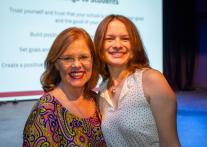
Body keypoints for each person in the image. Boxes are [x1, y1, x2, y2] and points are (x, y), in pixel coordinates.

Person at [94, 14, 180, 147]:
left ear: (134, 46)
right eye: (109, 39)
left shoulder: (151, 80)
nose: (117, 45)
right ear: (99, 46)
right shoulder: (102, 91)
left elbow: (170, 144)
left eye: (125, 39)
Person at [23, 27, 106, 146]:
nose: (77, 65)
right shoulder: (45, 112)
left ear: (92, 60)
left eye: (83, 57)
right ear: (56, 63)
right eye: (67, 58)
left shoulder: (97, 100)